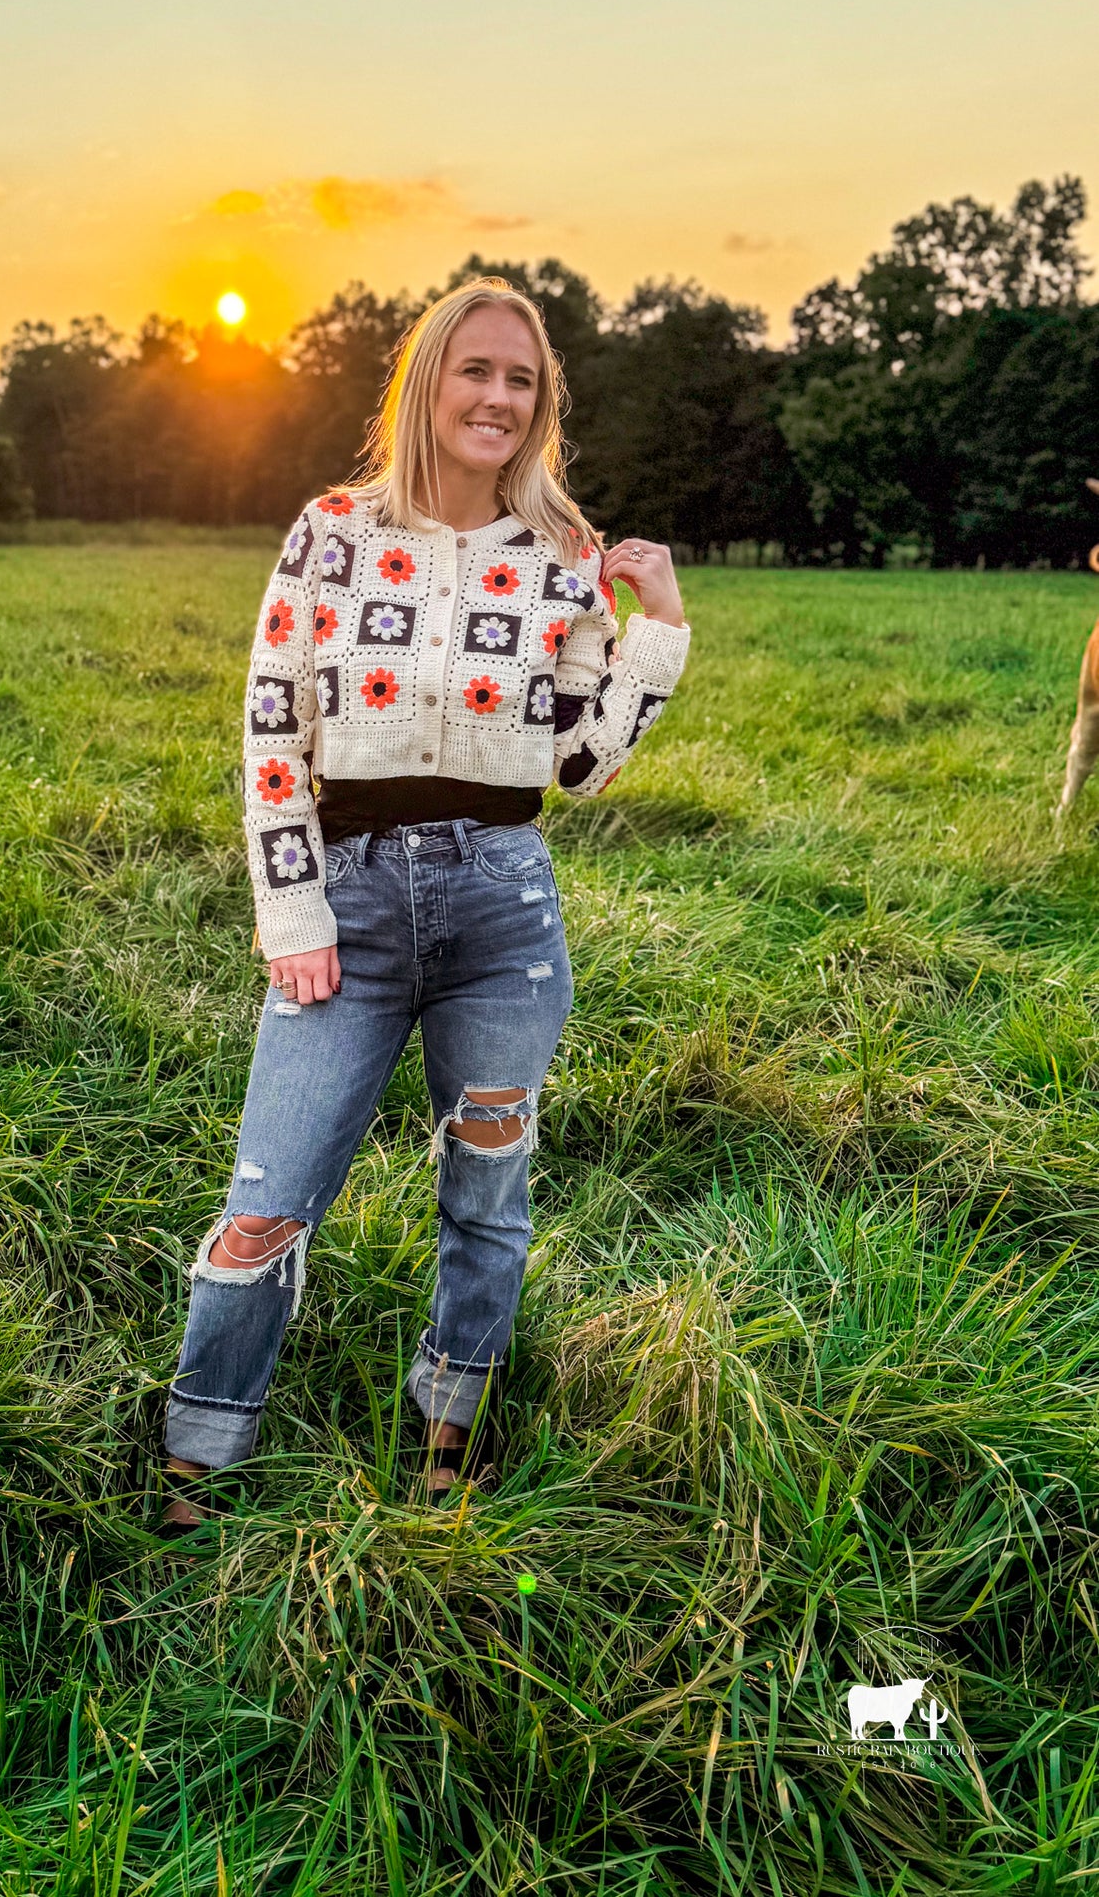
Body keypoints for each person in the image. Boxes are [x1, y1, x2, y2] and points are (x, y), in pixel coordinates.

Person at [159, 276, 690, 1535]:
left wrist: (654, 635)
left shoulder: (557, 558)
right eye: (476, 371)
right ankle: (201, 1441)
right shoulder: (332, 532)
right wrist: (291, 915)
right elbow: (271, 730)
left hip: (501, 909)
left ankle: (449, 1421)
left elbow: (578, 763)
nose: (497, 397)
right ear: (427, 384)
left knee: (484, 1195)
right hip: (343, 905)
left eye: (522, 381)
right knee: (267, 1194)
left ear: (539, 405)